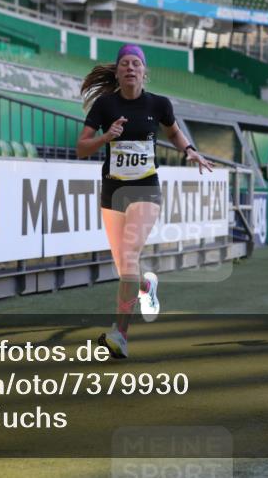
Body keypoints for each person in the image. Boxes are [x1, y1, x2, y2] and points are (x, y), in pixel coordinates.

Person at [76, 44, 214, 357]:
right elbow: (81, 148)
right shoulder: (105, 105)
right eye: (124, 63)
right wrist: (106, 137)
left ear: (144, 72)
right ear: (117, 71)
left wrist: (189, 150)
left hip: (145, 189)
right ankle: (145, 287)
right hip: (113, 191)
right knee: (125, 266)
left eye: (136, 63)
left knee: (128, 256)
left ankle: (120, 335)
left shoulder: (159, 104)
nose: (130, 68)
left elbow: (174, 133)